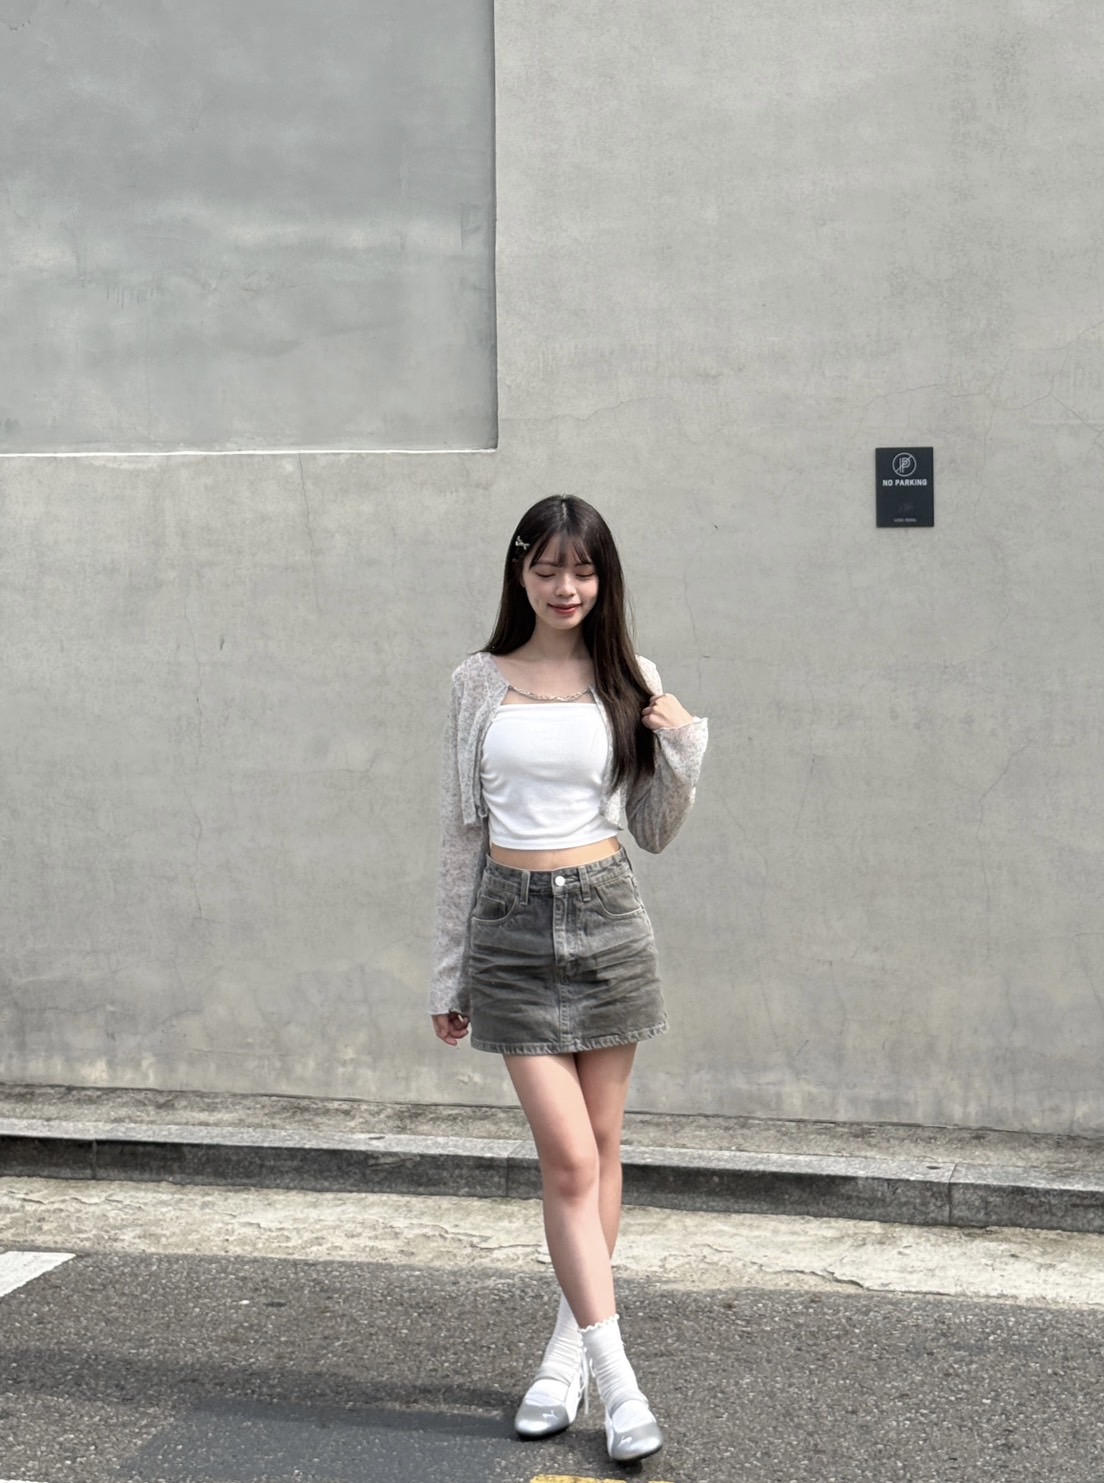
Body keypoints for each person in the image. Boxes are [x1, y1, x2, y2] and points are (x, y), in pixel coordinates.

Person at [428, 495, 708, 1464]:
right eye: (547, 568)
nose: (565, 587)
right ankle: (621, 1382)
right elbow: (461, 833)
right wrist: (449, 970)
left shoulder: (631, 677)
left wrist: (684, 747)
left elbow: (655, 830)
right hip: (508, 927)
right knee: (570, 1161)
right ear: (521, 573)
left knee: (601, 1146)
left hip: (607, 916)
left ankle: (564, 1358)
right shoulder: (476, 681)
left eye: (582, 570)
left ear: (603, 578)